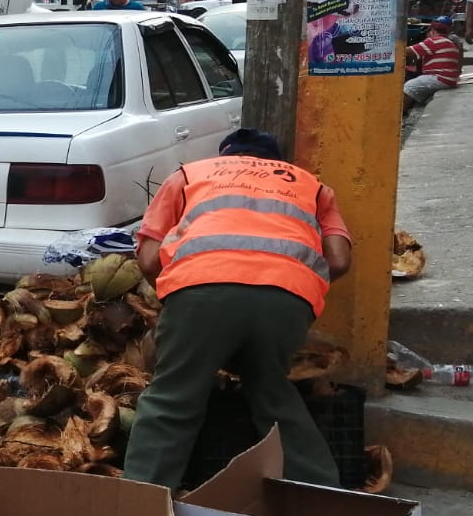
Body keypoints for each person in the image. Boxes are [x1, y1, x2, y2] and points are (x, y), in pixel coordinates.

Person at [121, 128, 352, 490]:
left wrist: (175, 301)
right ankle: (323, 503)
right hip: (287, 299)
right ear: (276, 162)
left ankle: (139, 514)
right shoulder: (314, 187)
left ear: (225, 155)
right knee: (273, 395)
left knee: (172, 400)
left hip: (200, 292)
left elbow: (149, 257)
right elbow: (338, 260)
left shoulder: (189, 175)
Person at [403, 16, 464, 114]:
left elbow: (407, 51)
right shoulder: (449, 41)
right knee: (417, 83)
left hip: (440, 78)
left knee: (408, 87)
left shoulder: (433, 41)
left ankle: (399, 115)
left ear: (432, 31)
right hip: (449, 78)